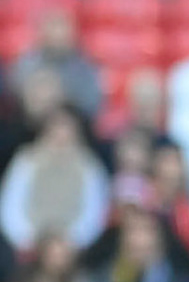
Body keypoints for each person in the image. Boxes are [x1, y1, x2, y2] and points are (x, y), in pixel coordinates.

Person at [0, 108, 109, 254]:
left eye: (67, 129)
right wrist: (26, 239)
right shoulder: (26, 160)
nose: (61, 135)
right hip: (30, 246)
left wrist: (73, 240)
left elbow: (95, 211)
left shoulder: (89, 166)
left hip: (73, 249)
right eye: (56, 127)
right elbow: (12, 204)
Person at [8, 9, 103, 121]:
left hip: (72, 126)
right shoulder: (26, 63)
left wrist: (61, 97)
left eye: (62, 36)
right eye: (52, 35)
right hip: (29, 125)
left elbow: (92, 106)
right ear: (42, 36)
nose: (57, 40)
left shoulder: (85, 68)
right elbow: (15, 98)